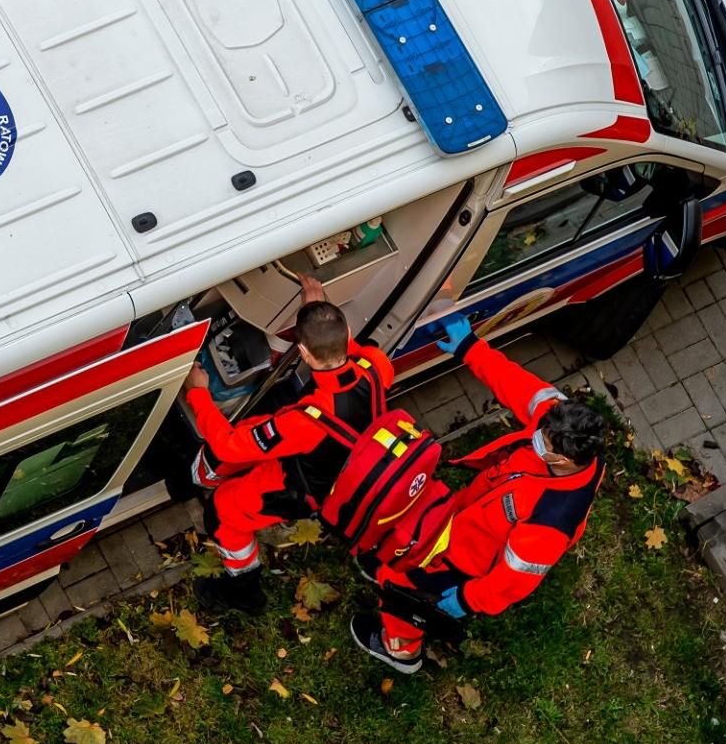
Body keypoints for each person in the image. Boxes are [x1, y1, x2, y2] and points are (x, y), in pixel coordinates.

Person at [349, 312, 607, 674]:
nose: (534, 437)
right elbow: (518, 386)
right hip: (467, 514)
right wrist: (471, 348)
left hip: (467, 561)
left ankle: (400, 650)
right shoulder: (561, 425)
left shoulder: (553, 516)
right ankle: (392, 564)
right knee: (412, 540)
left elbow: (515, 578)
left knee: (406, 594)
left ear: (563, 460)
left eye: (540, 442)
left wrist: (467, 599)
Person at [184, 275, 394, 614]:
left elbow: (226, 446)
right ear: (348, 336)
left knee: (222, 513)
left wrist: (198, 394)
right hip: (331, 460)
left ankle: (244, 589)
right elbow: (347, 349)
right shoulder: (376, 367)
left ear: (302, 352)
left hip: (301, 484)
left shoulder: (306, 421)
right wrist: (316, 310)